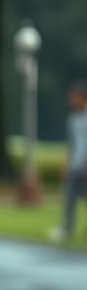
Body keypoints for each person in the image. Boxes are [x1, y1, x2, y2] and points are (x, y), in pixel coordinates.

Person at [61, 82, 87, 241]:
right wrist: (66, 162)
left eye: (74, 97)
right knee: (70, 197)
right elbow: (71, 143)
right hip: (75, 164)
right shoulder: (72, 118)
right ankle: (67, 229)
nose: (71, 100)